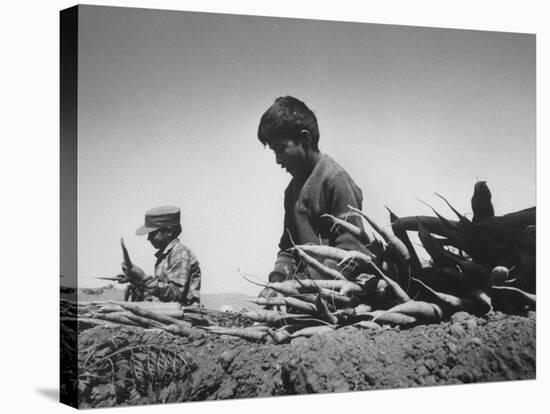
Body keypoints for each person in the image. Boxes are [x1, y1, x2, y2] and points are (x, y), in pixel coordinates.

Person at [257, 96, 370, 285]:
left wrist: (308, 286)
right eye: (273, 152)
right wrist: (277, 281)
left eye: (280, 149)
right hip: (305, 290)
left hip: (337, 291)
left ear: (305, 139)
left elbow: (350, 250)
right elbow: (288, 248)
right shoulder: (291, 192)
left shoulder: (335, 180)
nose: (277, 160)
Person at [122, 206, 201, 306]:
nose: (148, 238)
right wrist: (134, 279)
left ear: (170, 231)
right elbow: (159, 292)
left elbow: (175, 295)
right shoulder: (167, 255)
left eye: (152, 233)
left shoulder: (180, 254)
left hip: (183, 316)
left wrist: (143, 277)